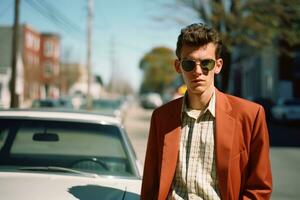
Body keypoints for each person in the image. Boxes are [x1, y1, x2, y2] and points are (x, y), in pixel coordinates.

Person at [141, 23, 272, 200]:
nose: (197, 71)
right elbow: (150, 186)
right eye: (189, 63)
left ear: (217, 66)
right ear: (178, 66)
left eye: (206, 63)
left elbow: (259, 188)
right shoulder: (161, 117)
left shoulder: (251, 115)